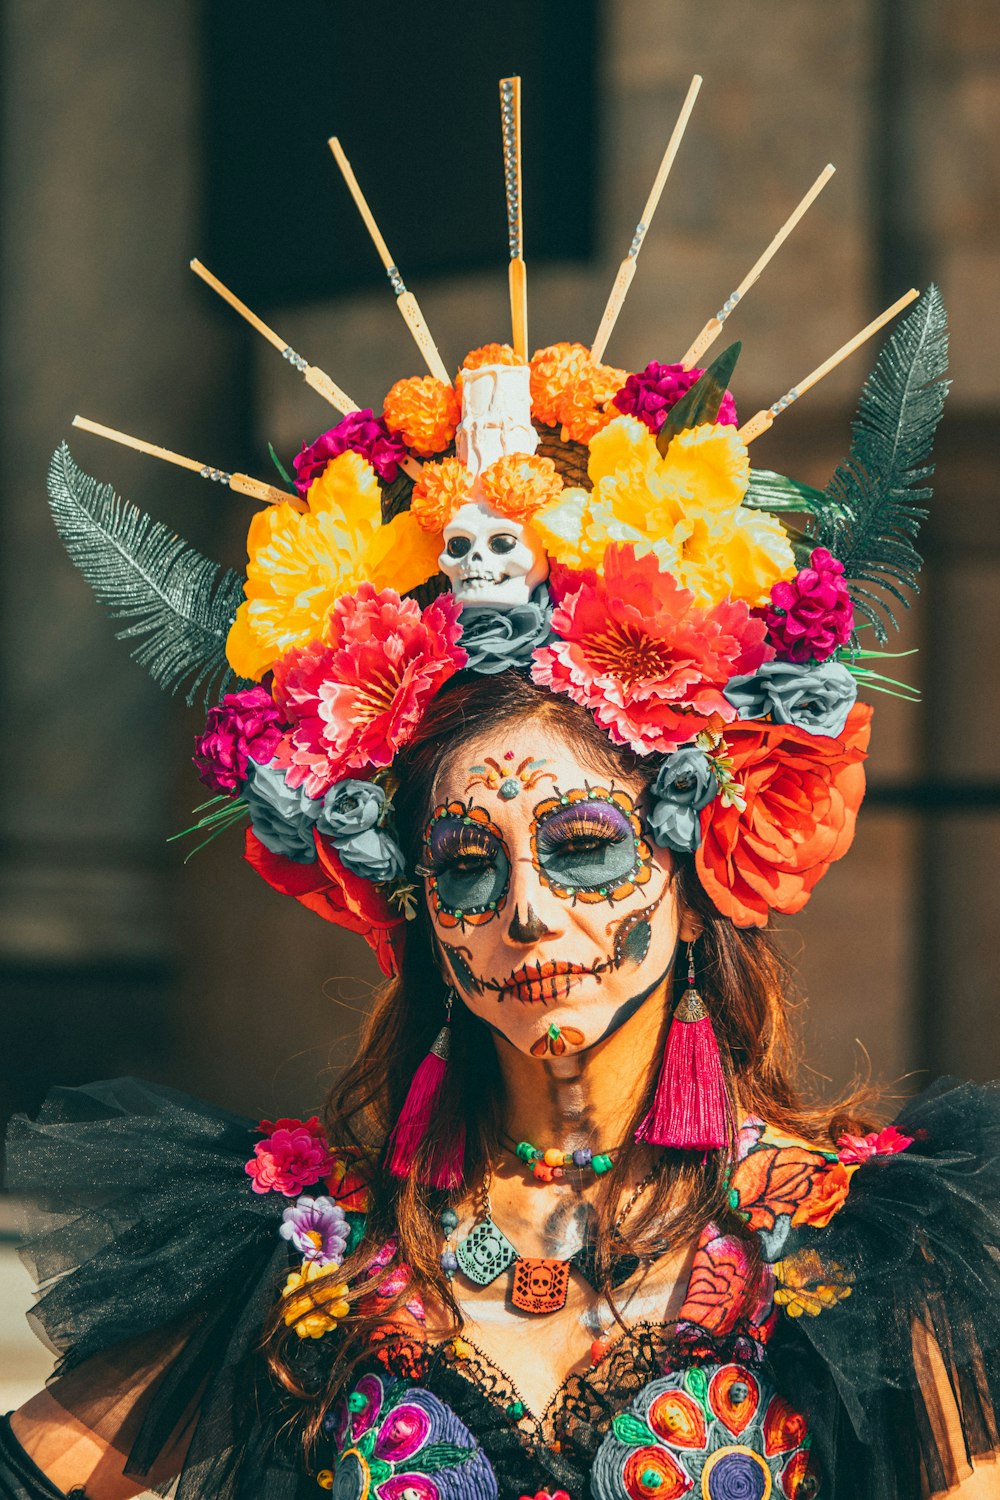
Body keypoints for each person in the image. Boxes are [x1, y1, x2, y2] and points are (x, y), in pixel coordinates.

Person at [3, 95, 999, 1500]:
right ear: (412, 899)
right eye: (465, 863)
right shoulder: (308, 1243)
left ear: (689, 846)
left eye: (584, 846)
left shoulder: (859, 1241)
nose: (527, 909)